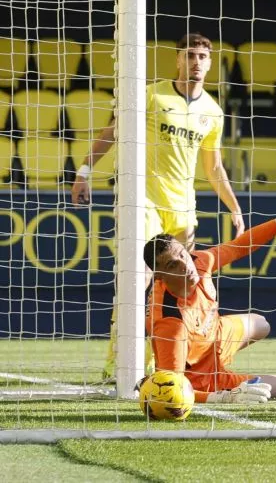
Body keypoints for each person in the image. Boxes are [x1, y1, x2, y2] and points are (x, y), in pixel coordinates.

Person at [72, 33, 245, 381]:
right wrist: (85, 171)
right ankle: (116, 369)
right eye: (190, 55)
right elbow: (113, 132)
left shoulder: (212, 111)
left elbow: (213, 167)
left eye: (202, 56)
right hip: (144, 203)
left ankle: (168, 365)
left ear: (210, 63)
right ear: (178, 59)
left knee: (181, 290)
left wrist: (234, 206)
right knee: (137, 285)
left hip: (183, 211)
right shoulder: (152, 95)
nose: (197, 62)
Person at [143, 198, 276, 404]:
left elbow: (239, 246)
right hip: (202, 377)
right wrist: (224, 397)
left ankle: (222, 358)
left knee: (262, 324)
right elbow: (173, 388)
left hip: (217, 337)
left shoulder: (200, 262)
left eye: (183, 255)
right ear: (159, 276)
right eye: (172, 265)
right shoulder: (170, 323)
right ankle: (222, 378)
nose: (185, 265)